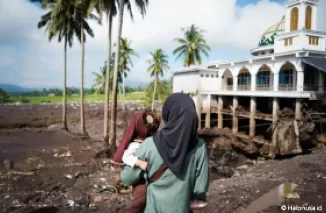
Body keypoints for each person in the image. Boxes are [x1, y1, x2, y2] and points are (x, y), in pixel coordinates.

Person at [121, 93, 210, 213]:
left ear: (168, 115)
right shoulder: (199, 148)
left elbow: (127, 177)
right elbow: (200, 190)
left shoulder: (149, 144)